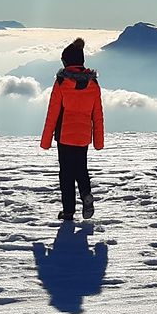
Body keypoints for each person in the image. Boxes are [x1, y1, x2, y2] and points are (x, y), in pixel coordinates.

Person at [40, 38, 104, 220]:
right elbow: (97, 114)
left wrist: (45, 141)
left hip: (64, 136)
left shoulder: (62, 82)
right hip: (83, 136)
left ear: (66, 62)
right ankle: (86, 194)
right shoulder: (93, 84)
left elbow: (53, 112)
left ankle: (68, 211)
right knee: (81, 168)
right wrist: (98, 142)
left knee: (66, 174)